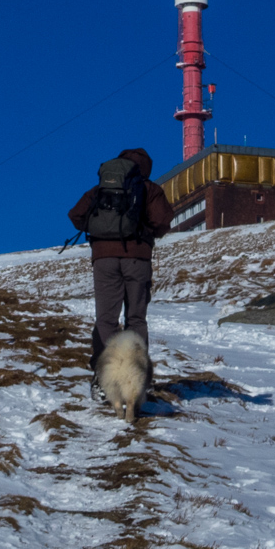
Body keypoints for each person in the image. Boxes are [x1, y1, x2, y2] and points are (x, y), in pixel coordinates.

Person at [67, 147, 173, 387]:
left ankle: (107, 377)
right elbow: (162, 221)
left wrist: (99, 228)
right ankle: (137, 379)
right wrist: (146, 232)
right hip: (138, 258)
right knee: (135, 318)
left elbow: (76, 215)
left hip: (104, 259)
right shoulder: (150, 189)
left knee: (106, 319)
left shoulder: (101, 188)